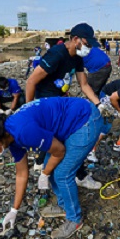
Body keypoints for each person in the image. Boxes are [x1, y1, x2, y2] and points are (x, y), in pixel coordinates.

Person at [0, 97, 105, 239]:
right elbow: (22, 174)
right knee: (53, 169)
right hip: (69, 119)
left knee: (62, 174)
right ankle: (64, 205)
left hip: (85, 119)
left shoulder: (22, 131)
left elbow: (59, 151)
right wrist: (14, 210)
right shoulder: (10, 135)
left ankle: (75, 219)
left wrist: (44, 173)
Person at [25, 22, 102, 189]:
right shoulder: (56, 55)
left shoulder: (77, 58)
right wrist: (28, 109)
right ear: (76, 39)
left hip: (60, 101)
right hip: (46, 102)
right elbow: (31, 81)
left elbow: (84, 85)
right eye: (87, 44)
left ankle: (44, 163)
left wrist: (99, 104)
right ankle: (75, 175)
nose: (88, 48)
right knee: (69, 137)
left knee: (61, 137)